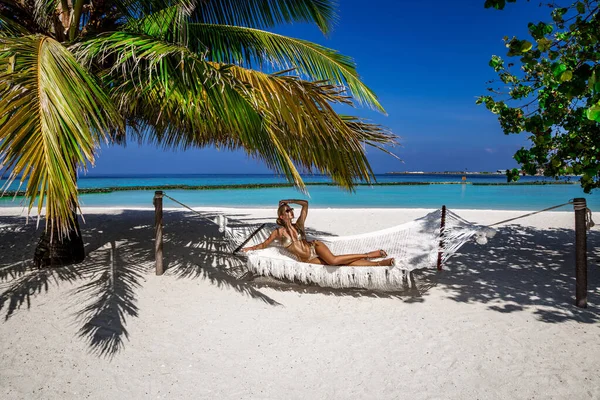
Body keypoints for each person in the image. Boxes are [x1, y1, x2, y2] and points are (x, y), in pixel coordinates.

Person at [242, 199, 395, 266]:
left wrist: (287, 201)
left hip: (315, 248)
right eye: (288, 211)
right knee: (339, 265)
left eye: (291, 210)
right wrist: (250, 248)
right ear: (281, 216)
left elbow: (305, 204)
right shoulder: (278, 233)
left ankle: (369, 255)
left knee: (334, 261)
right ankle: (380, 264)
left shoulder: (299, 225)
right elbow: (264, 244)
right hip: (307, 260)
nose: (291, 212)